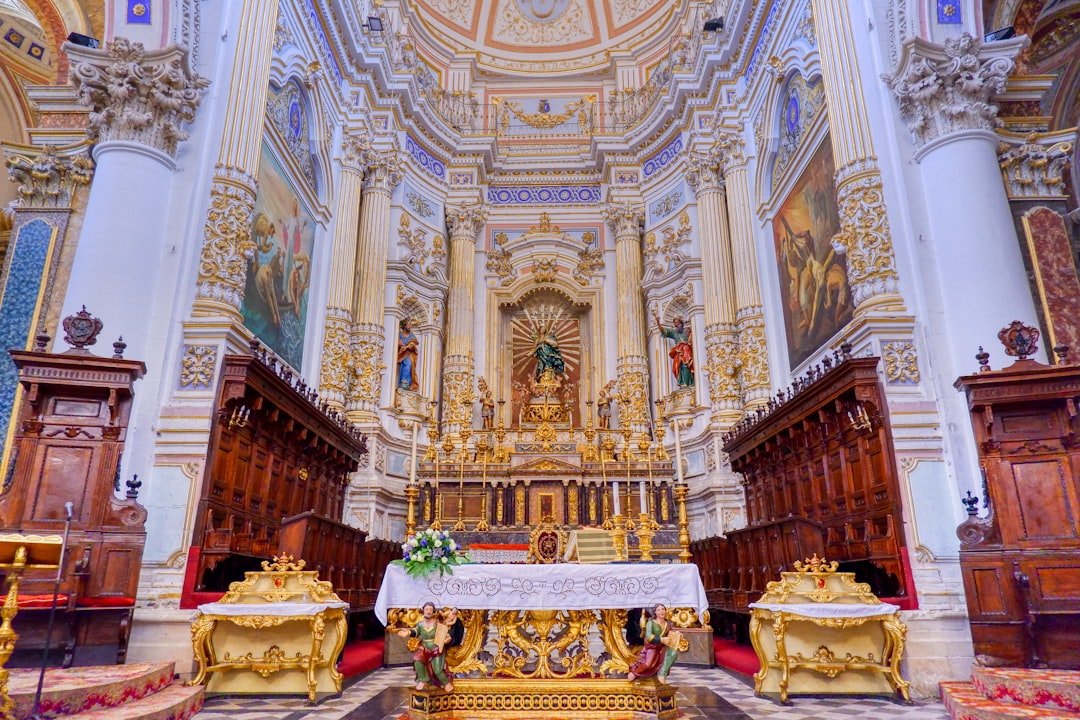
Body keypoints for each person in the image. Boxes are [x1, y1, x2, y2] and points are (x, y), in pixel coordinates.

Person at [396, 602, 454, 691]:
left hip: (436, 648)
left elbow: (446, 635)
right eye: (427, 609)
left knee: (438, 670)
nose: (428, 612)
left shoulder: (437, 623)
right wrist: (407, 632)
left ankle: (446, 683)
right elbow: (415, 631)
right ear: (423, 610)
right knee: (417, 660)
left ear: (433, 611)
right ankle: (423, 679)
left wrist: (447, 639)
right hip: (424, 648)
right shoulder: (420, 624)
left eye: (431, 610)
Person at [626, 603, 682, 684]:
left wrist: (677, 633)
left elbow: (672, 631)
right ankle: (635, 673)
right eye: (659, 610)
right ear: (655, 612)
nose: (661, 611)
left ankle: (662, 673)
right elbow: (648, 636)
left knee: (673, 653)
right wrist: (661, 639)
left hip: (663, 647)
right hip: (652, 647)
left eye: (663, 609)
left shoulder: (668, 623)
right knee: (648, 664)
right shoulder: (651, 622)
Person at [654, 313, 694, 387]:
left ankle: (689, 383)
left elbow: (691, 339)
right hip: (678, 352)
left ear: (681, 323)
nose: (676, 325)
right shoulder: (674, 332)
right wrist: (658, 323)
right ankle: (682, 383)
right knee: (678, 367)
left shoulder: (687, 330)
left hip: (687, 351)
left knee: (687, 366)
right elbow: (663, 331)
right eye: (675, 324)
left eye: (678, 323)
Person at [397, 319, 420, 392]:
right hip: (401, 354)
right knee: (403, 368)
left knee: (408, 366)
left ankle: (405, 385)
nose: (410, 326)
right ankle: (403, 384)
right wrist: (399, 344)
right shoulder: (399, 334)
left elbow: (414, 343)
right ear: (404, 325)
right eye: (409, 324)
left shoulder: (411, 335)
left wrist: (408, 346)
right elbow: (397, 342)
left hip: (408, 354)